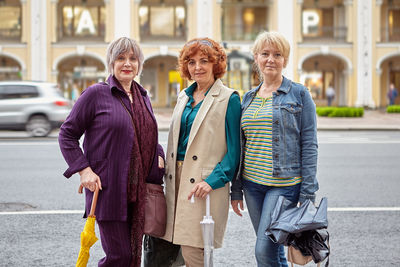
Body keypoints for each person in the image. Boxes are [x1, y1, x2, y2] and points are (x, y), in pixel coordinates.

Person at [58, 37, 165, 267]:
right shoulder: (96, 94)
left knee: (133, 257)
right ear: (111, 63)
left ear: (139, 64)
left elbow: (146, 137)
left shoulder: (142, 97)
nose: (127, 63)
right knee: (120, 257)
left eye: (133, 59)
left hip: (139, 192)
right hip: (108, 190)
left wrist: (160, 160)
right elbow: (67, 134)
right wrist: (84, 171)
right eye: (120, 58)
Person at [231, 31, 319, 267]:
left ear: (285, 61)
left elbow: (309, 144)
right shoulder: (248, 98)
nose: (271, 59)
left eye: (277, 55)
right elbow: (242, 146)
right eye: (265, 54)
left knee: (263, 250)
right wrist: (237, 189)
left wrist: (307, 193)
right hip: (252, 185)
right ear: (256, 58)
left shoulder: (299, 94)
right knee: (274, 249)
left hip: (283, 185)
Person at [162, 37, 241, 267]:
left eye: (204, 61)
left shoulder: (229, 98)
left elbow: (235, 151)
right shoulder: (184, 96)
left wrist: (214, 180)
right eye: (192, 61)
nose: (197, 67)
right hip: (175, 180)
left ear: (216, 64)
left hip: (203, 183)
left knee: (194, 250)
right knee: (176, 248)